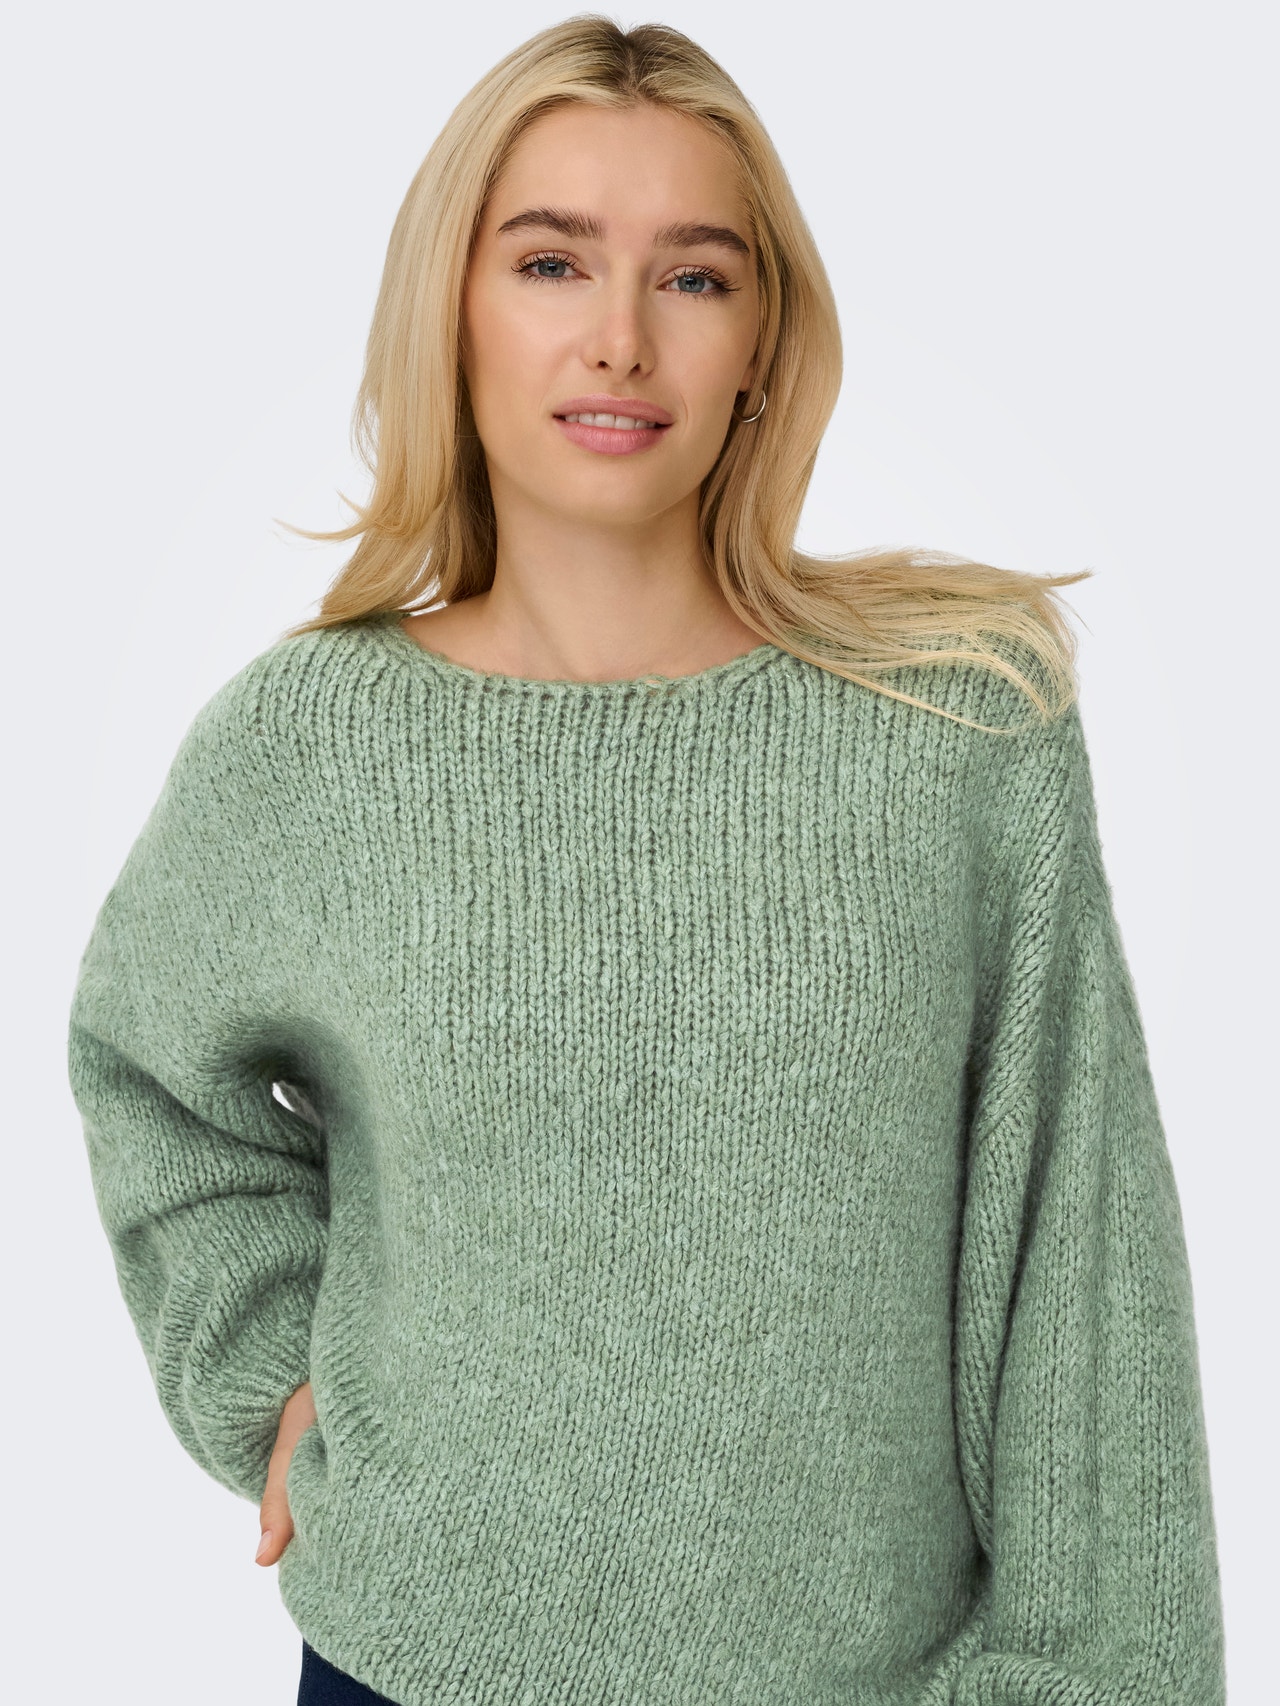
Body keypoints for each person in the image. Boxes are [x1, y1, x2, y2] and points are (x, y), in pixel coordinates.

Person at [66, 16, 1227, 1706]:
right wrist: (267, 1372)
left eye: (694, 276)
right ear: (452, 306)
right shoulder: (308, 747)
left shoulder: (956, 731)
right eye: (552, 261)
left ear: (762, 340)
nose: (620, 337)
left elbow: (1081, 1264)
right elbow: (147, 1067)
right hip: (409, 1662)